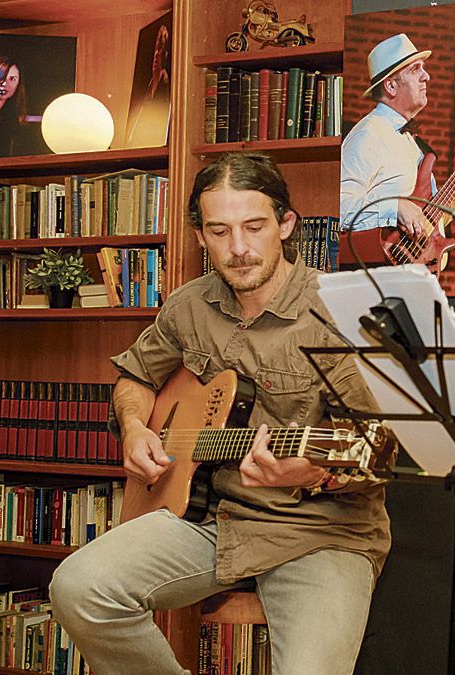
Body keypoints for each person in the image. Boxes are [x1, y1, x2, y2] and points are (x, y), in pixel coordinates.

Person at [49, 152, 392, 673]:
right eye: (219, 231)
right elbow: (136, 376)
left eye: (254, 227)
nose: (238, 248)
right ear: (200, 237)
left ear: (285, 225)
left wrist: (315, 472)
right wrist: (137, 426)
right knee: (79, 587)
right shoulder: (189, 305)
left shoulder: (342, 314)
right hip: (209, 517)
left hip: (321, 531)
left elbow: (377, 447)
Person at [339, 33, 455, 240]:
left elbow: (435, 220)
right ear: (391, 86)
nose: (427, 76)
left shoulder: (411, 141)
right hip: (379, 268)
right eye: (416, 70)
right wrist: (396, 208)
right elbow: (340, 207)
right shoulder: (369, 134)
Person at [126, 22, 171, 147]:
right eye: (156, 50)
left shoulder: (167, 87)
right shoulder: (149, 85)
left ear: (166, 55)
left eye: (160, 50)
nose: (156, 56)